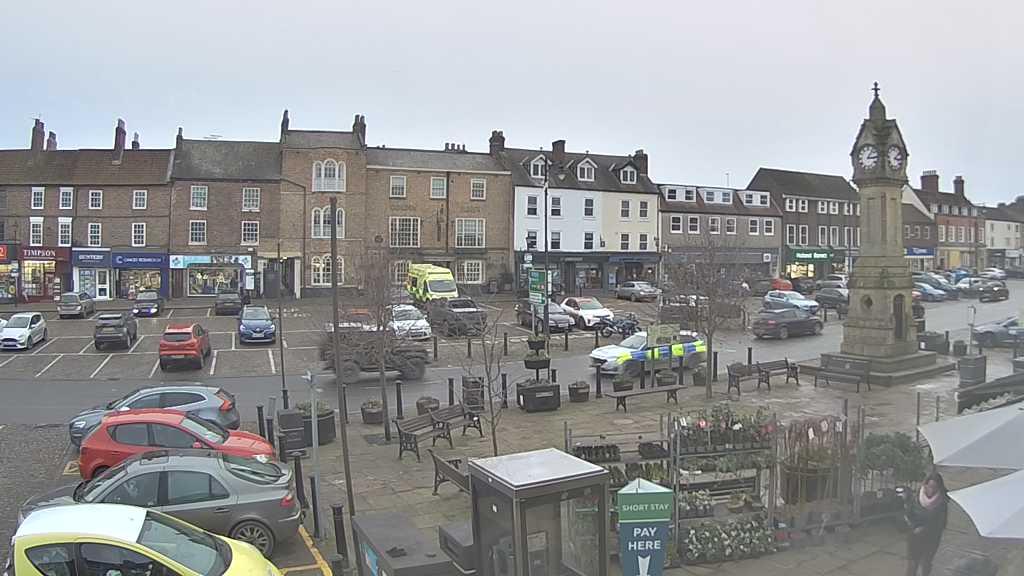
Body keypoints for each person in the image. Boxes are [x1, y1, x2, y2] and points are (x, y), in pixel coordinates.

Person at [905, 472, 949, 576]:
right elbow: (908, 515)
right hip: (915, 536)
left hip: (931, 538)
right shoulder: (916, 498)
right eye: (930, 486)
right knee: (912, 563)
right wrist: (914, 527)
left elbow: (941, 524)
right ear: (925, 485)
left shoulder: (942, 502)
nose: (932, 490)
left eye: (935, 487)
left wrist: (924, 528)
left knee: (926, 563)